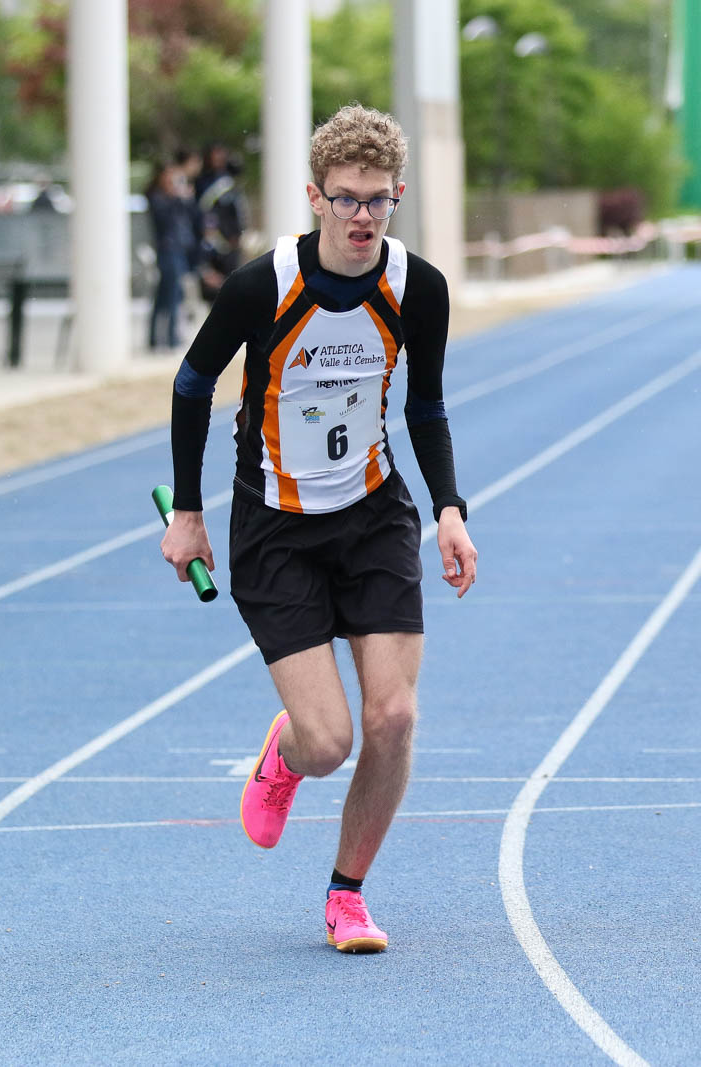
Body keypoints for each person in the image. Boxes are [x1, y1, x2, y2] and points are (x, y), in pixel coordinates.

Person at [159, 104, 478, 953]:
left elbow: (427, 405)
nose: (362, 216)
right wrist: (188, 513)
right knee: (330, 740)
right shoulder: (262, 286)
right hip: (276, 529)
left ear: (398, 195)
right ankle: (289, 750)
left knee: (394, 717)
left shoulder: (418, 287)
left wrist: (449, 508)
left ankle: (347, 895)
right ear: (315, 198)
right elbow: (192, 385)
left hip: (373, 516)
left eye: (378, 199)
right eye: (346, 199)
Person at [145, 159, 196, 351]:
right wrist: (176, 196)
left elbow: (191, 216)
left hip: (179, 249)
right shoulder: (157, 197)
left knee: (167, 294)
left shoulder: (174, 198)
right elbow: (163, 220)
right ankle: (170, 337)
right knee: (171, 293)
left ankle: (159, 338)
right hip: (168, 250)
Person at [193, 142, 247, 302]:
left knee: (231, 281)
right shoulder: (202, 181)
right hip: (210, 237)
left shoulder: (228, 180)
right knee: (210, 285)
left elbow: (235, 210)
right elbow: (203, 209)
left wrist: (237, 232)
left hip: (229, 237)